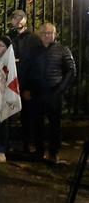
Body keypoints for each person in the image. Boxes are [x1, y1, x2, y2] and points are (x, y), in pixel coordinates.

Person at [22, 23, 76, 165]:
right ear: (40, 35)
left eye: (51, 33)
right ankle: (39, 152)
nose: (48, 35)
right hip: (36, 92)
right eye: (45, 33)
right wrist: (26, 89)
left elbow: (71, 70)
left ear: (55, 34)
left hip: (53, 93)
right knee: (37, 124)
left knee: (55, 125)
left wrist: (61, 89)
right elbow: (26, 70)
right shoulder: (33, 51)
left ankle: (53, 153)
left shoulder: (63, 50)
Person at [7, 9, 41, 154]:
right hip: (11, 82)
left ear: (25, 20)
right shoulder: (9, 37)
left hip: (26, 82)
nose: (18, 20)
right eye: (15, 18)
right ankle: (6, 144)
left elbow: (36, 63)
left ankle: (29, 145)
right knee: (8, 114)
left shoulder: (33, 39)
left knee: (28, 115)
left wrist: (29, 87)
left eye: (21, 17)